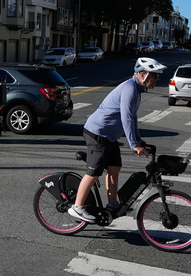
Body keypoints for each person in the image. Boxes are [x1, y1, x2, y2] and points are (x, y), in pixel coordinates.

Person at [69, 56, 167, 223]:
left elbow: (133, 118)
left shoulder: (136, 90)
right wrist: (133, 144)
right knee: (94, 172)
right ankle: (77, 207)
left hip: (109, 136)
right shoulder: (129, 89)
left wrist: (138, 140)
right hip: (97, 133)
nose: (157, 79)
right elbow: (126, 118)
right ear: (143, 74)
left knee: (114, 167)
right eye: (155, 75)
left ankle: (112, 203)